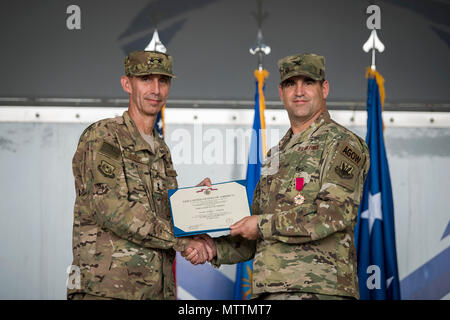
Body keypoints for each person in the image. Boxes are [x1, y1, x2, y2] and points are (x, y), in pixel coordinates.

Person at [185, 53, 370, 300]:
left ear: (324, 89)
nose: (299, 91)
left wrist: (260, 226)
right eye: (291, 84)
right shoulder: (276, 154)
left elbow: (334, 213)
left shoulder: (342, 144)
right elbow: (252, 231)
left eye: (308, 82)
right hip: (268, 291)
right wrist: (212, 247)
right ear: (281, 92)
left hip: (317, 290)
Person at [67, 50, 213, 300]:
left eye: (163, 81)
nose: (155, 89)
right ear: (127, 84)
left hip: (156, 291)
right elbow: (113, 210)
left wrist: (192, 202)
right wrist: (182, 243)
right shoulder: (104, 136)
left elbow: (158, 213)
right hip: (107, 290)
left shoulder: (160, 148)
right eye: (146, 79)